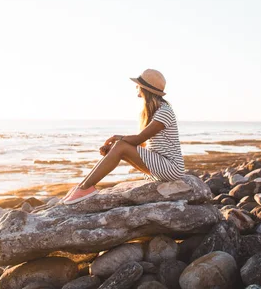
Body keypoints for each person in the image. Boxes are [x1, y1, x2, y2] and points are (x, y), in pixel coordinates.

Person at [61, 68, 186, 205]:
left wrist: (117, 139)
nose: (136, 89)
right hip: (160, 165)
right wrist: (114, 151)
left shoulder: (165, 112)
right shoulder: (153, 111)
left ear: (144, 89)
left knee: (120, 145)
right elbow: (142, 145)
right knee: (119, 146)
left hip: (171, 167)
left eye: (138, 85)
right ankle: (82, 186)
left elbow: (139, 139)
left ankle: (85, 188)